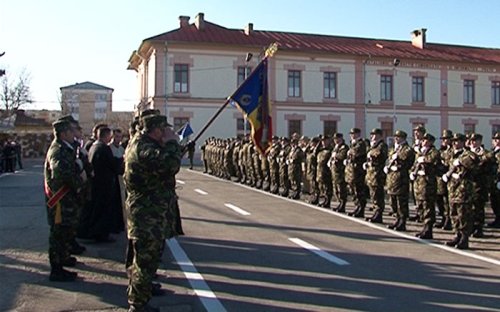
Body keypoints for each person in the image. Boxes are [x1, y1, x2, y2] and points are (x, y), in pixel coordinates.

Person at [124, 114, 182, 312]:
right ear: (156, 130)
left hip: (149, 214)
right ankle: (138, 305)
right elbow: (169, 166)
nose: (166, 132)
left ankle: (140, 295)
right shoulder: (144, 148)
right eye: (163, 129)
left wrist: (175, 148)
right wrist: (173, 143)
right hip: (147, 216)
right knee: (144, 263)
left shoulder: (143, 144)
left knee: (145, 261)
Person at [44, 119, 83, 281]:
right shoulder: (58, 150)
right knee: (58, 233)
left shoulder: (66, 148)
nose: (74, 134)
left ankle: (64, 257)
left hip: (67, 198)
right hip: (60, 200)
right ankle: (56, 268)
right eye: (71, 131)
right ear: (64, 133)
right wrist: (78, 181)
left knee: (66, 231)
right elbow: (60, 173)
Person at [79, 126, 122, 242]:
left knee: (97, 210)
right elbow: (113, 164)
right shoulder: (103, 148)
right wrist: (123, 160)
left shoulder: (95, 146)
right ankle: (100, 234)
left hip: (97, 183)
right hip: (103, 184)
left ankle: (97, 232)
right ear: (107, 136)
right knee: (102, 211)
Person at [442, 133, 478, 249]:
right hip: (453, 189)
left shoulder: (468, 154)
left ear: (462, 142)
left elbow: (474, 162)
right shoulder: (452, 154)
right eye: (453, 141)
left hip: (464, 190)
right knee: (454, 214)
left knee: (464, 215)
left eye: (456, 141)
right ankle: (457, 234)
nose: (454, 143)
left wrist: (461, 162)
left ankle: (464, 238)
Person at [411, 133, 440, 239]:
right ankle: (424, 227)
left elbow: (432, 159)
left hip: (428, 183)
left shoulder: (434, 151)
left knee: (428, 206)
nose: (424, 142)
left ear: (431, 142)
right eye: (423, 140)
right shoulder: (420, 152)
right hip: (419, 182)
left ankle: (428, 229)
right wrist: (413, 172)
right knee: (420, 205)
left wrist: (424, 159)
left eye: (426, 140)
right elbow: (415, 164)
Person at [385, 130, 415, 231]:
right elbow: (390, 160)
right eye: (395, 137)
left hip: (401, 179)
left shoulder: (407, 149)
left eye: (398, 137)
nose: (396, 138)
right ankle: (397, 219)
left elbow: (406, 162)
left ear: (403, 138)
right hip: (392, 179)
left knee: (401, 202)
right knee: (393, 201)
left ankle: (402, 221)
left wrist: (398, 162)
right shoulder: (394, 149)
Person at [364, 128, 388, 223]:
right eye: (372, 134)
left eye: (374, 135)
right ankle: (375, 212)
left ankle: (379, 213)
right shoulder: (373, 146)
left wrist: (371, 152)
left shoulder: (382, 145)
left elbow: (379, 155)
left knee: (378, 194)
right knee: (373, 194)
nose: (372, 136)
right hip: (371, 174)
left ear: (379, 135)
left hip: (377, 174)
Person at [346, 128, 368, 217]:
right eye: (351, 134)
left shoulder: (361, 143)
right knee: (354, 190)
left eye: (353, 134)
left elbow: (355, 152)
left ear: (358, 134)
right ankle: (357, 206)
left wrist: (349, 152)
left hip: (358, 171)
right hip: (352, 171)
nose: (352, 135)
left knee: (359, 190)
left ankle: (361, 208)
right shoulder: (353, 143)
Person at [329, 133, 349, 212]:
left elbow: (342, 156)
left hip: (340, 171)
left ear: (341, 138)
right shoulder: (335, 147)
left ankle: (342, 204)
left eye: (337, 139)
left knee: (341, 188)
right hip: (334, 171)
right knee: (336, 188)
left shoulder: (344, 147)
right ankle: (339, 202)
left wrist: (335, 156)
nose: (335, 140)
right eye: (334, 139)